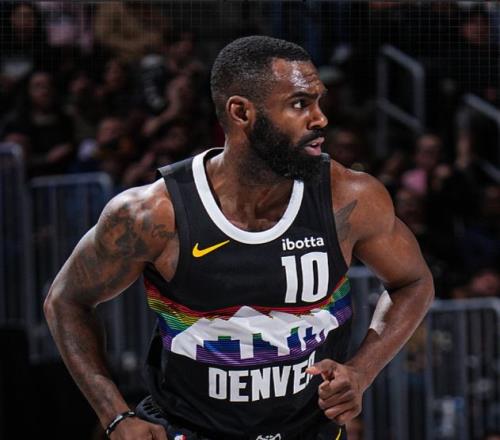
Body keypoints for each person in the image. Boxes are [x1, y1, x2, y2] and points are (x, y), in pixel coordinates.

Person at [44, 36, 434, 440]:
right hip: (186, 429)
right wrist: (114, 416)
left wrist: (362, 370)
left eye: (319, 101)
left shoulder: (350, 197)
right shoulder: (154, 213)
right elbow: (66, 301)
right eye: (300, 104)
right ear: (241, 112)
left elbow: (414, 282)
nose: (320, 118)